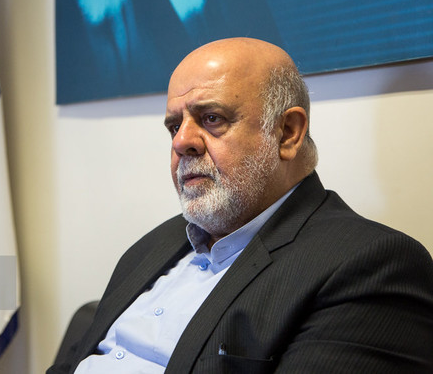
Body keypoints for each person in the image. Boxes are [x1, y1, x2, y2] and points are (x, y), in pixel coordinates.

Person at [48, 38, 433, 373]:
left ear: (287, 133)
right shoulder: (155, 245)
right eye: (174, 126)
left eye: (211, 118)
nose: (181, 142)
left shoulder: (371, 266)